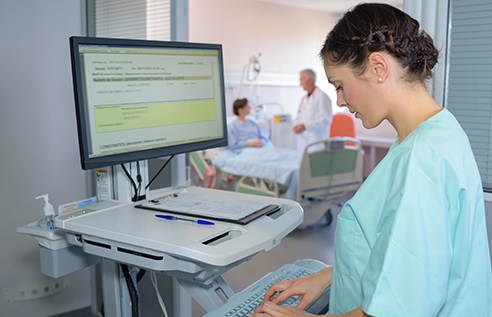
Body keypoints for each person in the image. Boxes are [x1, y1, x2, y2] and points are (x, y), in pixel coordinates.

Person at [252, 3, 492, 317]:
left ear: (378, 68)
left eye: (339, 85)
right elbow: (404, 259)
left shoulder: (422, 159)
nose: (339, 100)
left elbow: (401, 310)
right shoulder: (438, 131)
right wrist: (327, 278)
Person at [292, 69, 332, 152]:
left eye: (302, 80)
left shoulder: (322, 97)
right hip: (303, 143)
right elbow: (299, 117)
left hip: (317, 144)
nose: (300, 83)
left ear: (310, 80)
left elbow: (325, 120)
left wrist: (306, 126)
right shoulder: (303, 99)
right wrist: (296, 125)